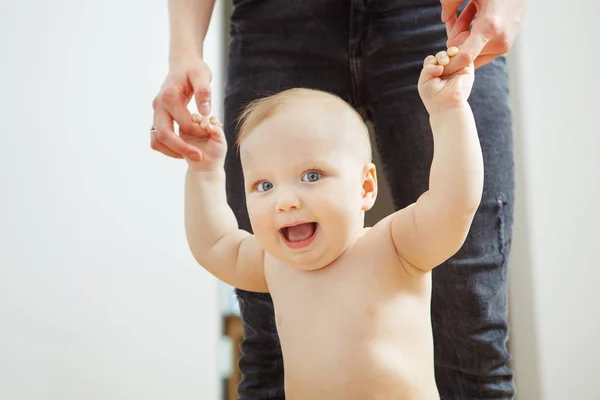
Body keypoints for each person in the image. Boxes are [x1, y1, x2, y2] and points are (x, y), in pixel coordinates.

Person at [150, 0, 526, 398]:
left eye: (311, 176)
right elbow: (215, 244)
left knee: (472, 333)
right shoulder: (274, 263)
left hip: (428, 10)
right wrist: (204, 171)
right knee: (263, 357)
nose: (284, 201)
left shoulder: (396, 248)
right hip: (275, 15)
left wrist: (448, 111)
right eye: (264, 186)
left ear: (365, 187)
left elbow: (456, 202)